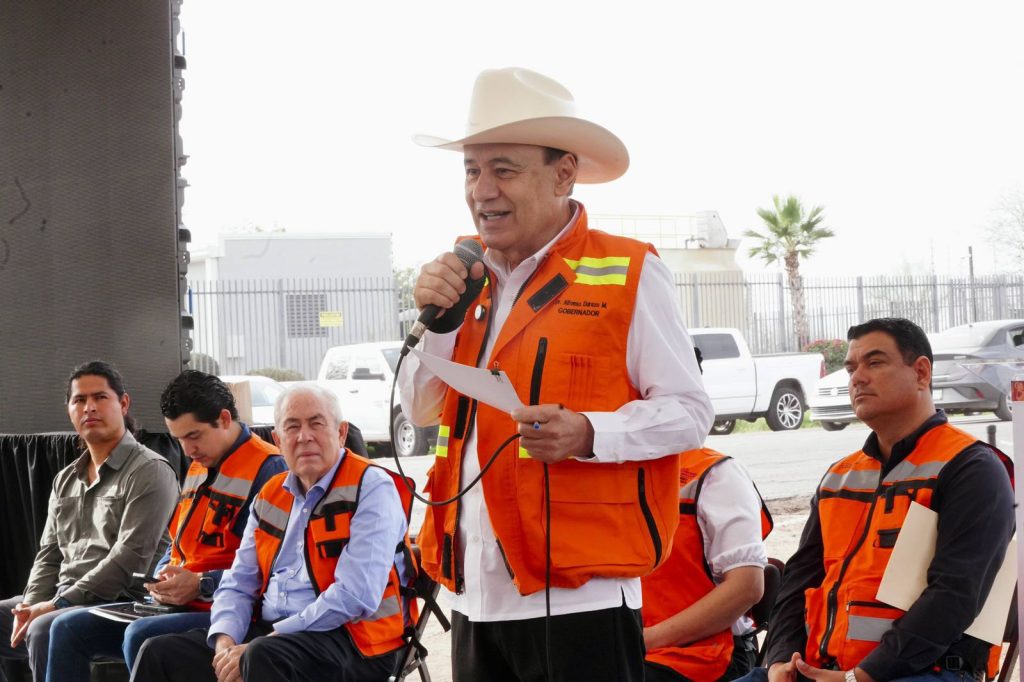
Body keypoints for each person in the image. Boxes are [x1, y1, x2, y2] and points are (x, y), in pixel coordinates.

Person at [401, 66, 714, 681]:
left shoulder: (628, 270)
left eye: (504, 169)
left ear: (563, 173)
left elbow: (690, 411)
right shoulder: (462, 274)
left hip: (582, 600)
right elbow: (420, 409)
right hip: (475, 597)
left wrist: (590, 433)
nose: (482, 190)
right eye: (471, 170)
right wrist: (436, 319)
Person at [738, 318, 1015, 682]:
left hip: (922, 672)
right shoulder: (840, 475)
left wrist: (861, 676)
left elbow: (955, 594)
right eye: (851, 367)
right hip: (817, 669)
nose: (857, 378)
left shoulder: (971, 468)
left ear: (921, 372)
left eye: (875, 362)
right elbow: (798, 581)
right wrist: (778, 662)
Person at [131, 383, 415, 682]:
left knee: (262, 655)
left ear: (341, 433)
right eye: (292, 427)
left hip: (355, 640)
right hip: (272, 636)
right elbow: (239, 581)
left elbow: (355, 595)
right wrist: (225, 643)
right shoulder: (271, 494)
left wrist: (272, 638)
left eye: (316, 423)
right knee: (158, 652)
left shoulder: (372, 486)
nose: (304, 436)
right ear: (278, 439)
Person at [45, 370, 287, 680]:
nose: (187, 450)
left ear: (224, 419)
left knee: (141, 635)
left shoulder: (270, 469)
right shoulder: (200, 465)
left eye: (193, 436)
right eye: (178, 439)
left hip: (230, 611)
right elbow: (178, 542)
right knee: (66, 628)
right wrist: (162, 575)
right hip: (179, 604)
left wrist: (202, 583)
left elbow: (272, 569)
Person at [0, 361, 180, 682]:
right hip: (64, 596)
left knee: (45, 627)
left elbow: (129, 559)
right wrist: (30, 604)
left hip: (125, 601)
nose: (89, 407)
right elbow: (49, 555)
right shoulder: (65, 479)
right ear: (69, 409)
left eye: (100, 397)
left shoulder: (150, 470)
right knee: (24, 617)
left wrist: (57, 604)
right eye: (79, 400)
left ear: (123, 403)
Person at [642, 446, 772, 682]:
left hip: (701, 655)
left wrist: (644, 640)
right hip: (632, 646)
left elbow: (747, 587)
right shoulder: (609, 472)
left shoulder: (717, 474)